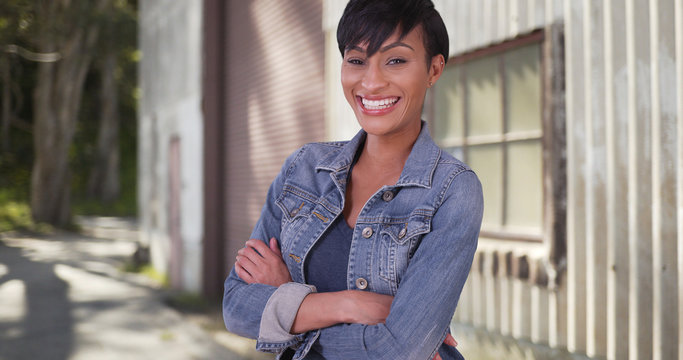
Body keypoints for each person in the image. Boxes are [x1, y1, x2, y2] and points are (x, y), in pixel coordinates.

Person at [222, 0, 483, 359]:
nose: (371, 82)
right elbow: (236, 306)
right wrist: (349, 304)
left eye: (396, 60)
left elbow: (399, 349)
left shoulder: (453, 189)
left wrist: (289, 308)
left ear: (434, 69)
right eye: (357, 60)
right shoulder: (304, 169)